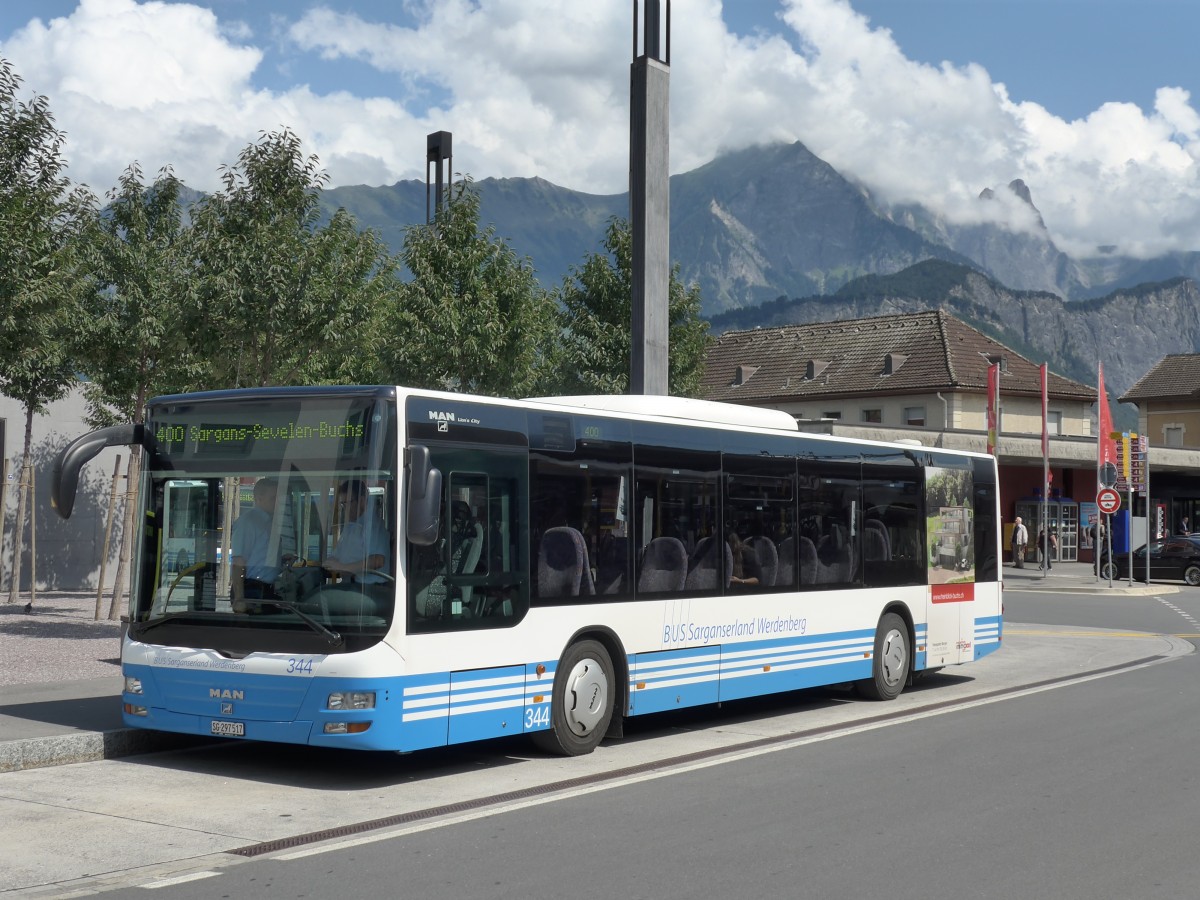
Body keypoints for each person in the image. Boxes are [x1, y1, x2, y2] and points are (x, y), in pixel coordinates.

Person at [323, 479, 390, 586]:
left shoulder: (374, 525)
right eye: (342, 504)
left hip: (371, 589)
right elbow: (337, 556)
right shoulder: (350, 526)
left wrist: (343, 568)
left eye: (347, 503)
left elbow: (378, 561)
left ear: (362, 501)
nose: (345, 508)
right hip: (350, 586)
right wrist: (329, 564)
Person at [230, 477, 280, 612]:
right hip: (252, 590)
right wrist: (239, 598)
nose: (278, 502)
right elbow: (238, 562)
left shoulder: (271, 522)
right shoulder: (248, 522)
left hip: (270, 590)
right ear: (259, 498)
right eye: (273, 498)